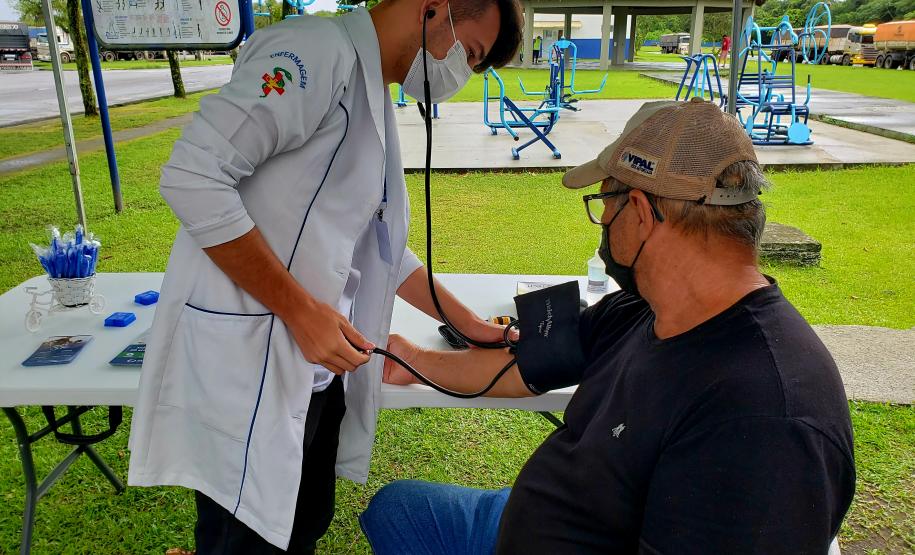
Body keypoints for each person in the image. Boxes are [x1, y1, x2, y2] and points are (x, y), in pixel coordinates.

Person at [361, 99, 856, 554]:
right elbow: (518, 366)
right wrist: (413, 360)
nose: (601, 224)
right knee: (396, 509)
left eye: (604, 206)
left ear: (639, 212)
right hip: (552, 515)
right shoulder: (644, 308)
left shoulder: (768, 421)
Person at [126, 0, 522, 552]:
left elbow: (379, 247)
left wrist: (470, 324)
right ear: (435, 8)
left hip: (313, 372)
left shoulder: (371, 94)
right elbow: (193, 177)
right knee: (242, 542)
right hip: (247, 368)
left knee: (301, 527)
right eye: (468, 52)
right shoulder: (313, 54)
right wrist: (298, 309)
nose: (457, 71)